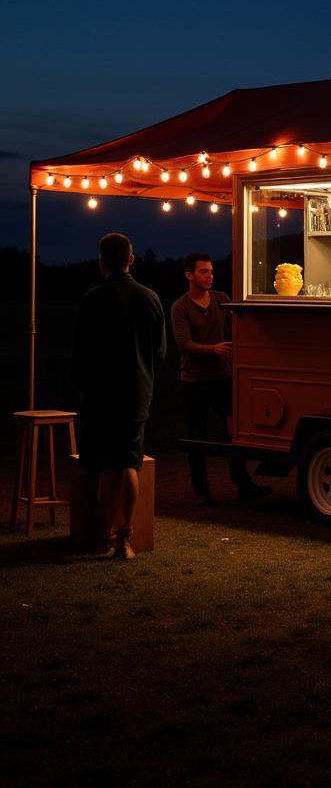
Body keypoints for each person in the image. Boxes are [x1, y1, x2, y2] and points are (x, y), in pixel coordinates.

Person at [72, 233, 166, 559]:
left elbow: (80, 351)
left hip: (99, 393)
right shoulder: (150, 297)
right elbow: (159, 352)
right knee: (129, 462)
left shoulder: (92, 298)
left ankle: (103, 537)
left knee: (101, 465)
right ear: (131, 259)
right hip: (136, 392)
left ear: (102, 262)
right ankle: (126, 539)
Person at [171, 252, 270, 505]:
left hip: (222, 376)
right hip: (194, 380)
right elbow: (184, 345)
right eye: (203, 272)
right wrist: (213, 349)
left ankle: (243, 483)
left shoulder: (221, 299)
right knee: (197, 435)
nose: (209, 276)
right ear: (189, 275)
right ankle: (201, 490)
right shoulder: (180, 307)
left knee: (233, 429)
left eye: (211, 271)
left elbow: (238, 328)